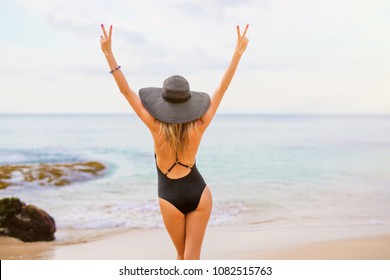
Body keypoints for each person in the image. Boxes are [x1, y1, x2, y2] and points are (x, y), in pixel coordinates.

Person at [100, 23, 249, 260]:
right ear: (189, 102)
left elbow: (126, 91)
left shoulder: (155, 126)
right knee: (191, 259)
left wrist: (109, 55)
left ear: (163, 102)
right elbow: (223, 87)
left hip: (170, 198)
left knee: (181, 257)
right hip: (200, 194)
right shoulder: (200, 125)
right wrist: (238, 53)